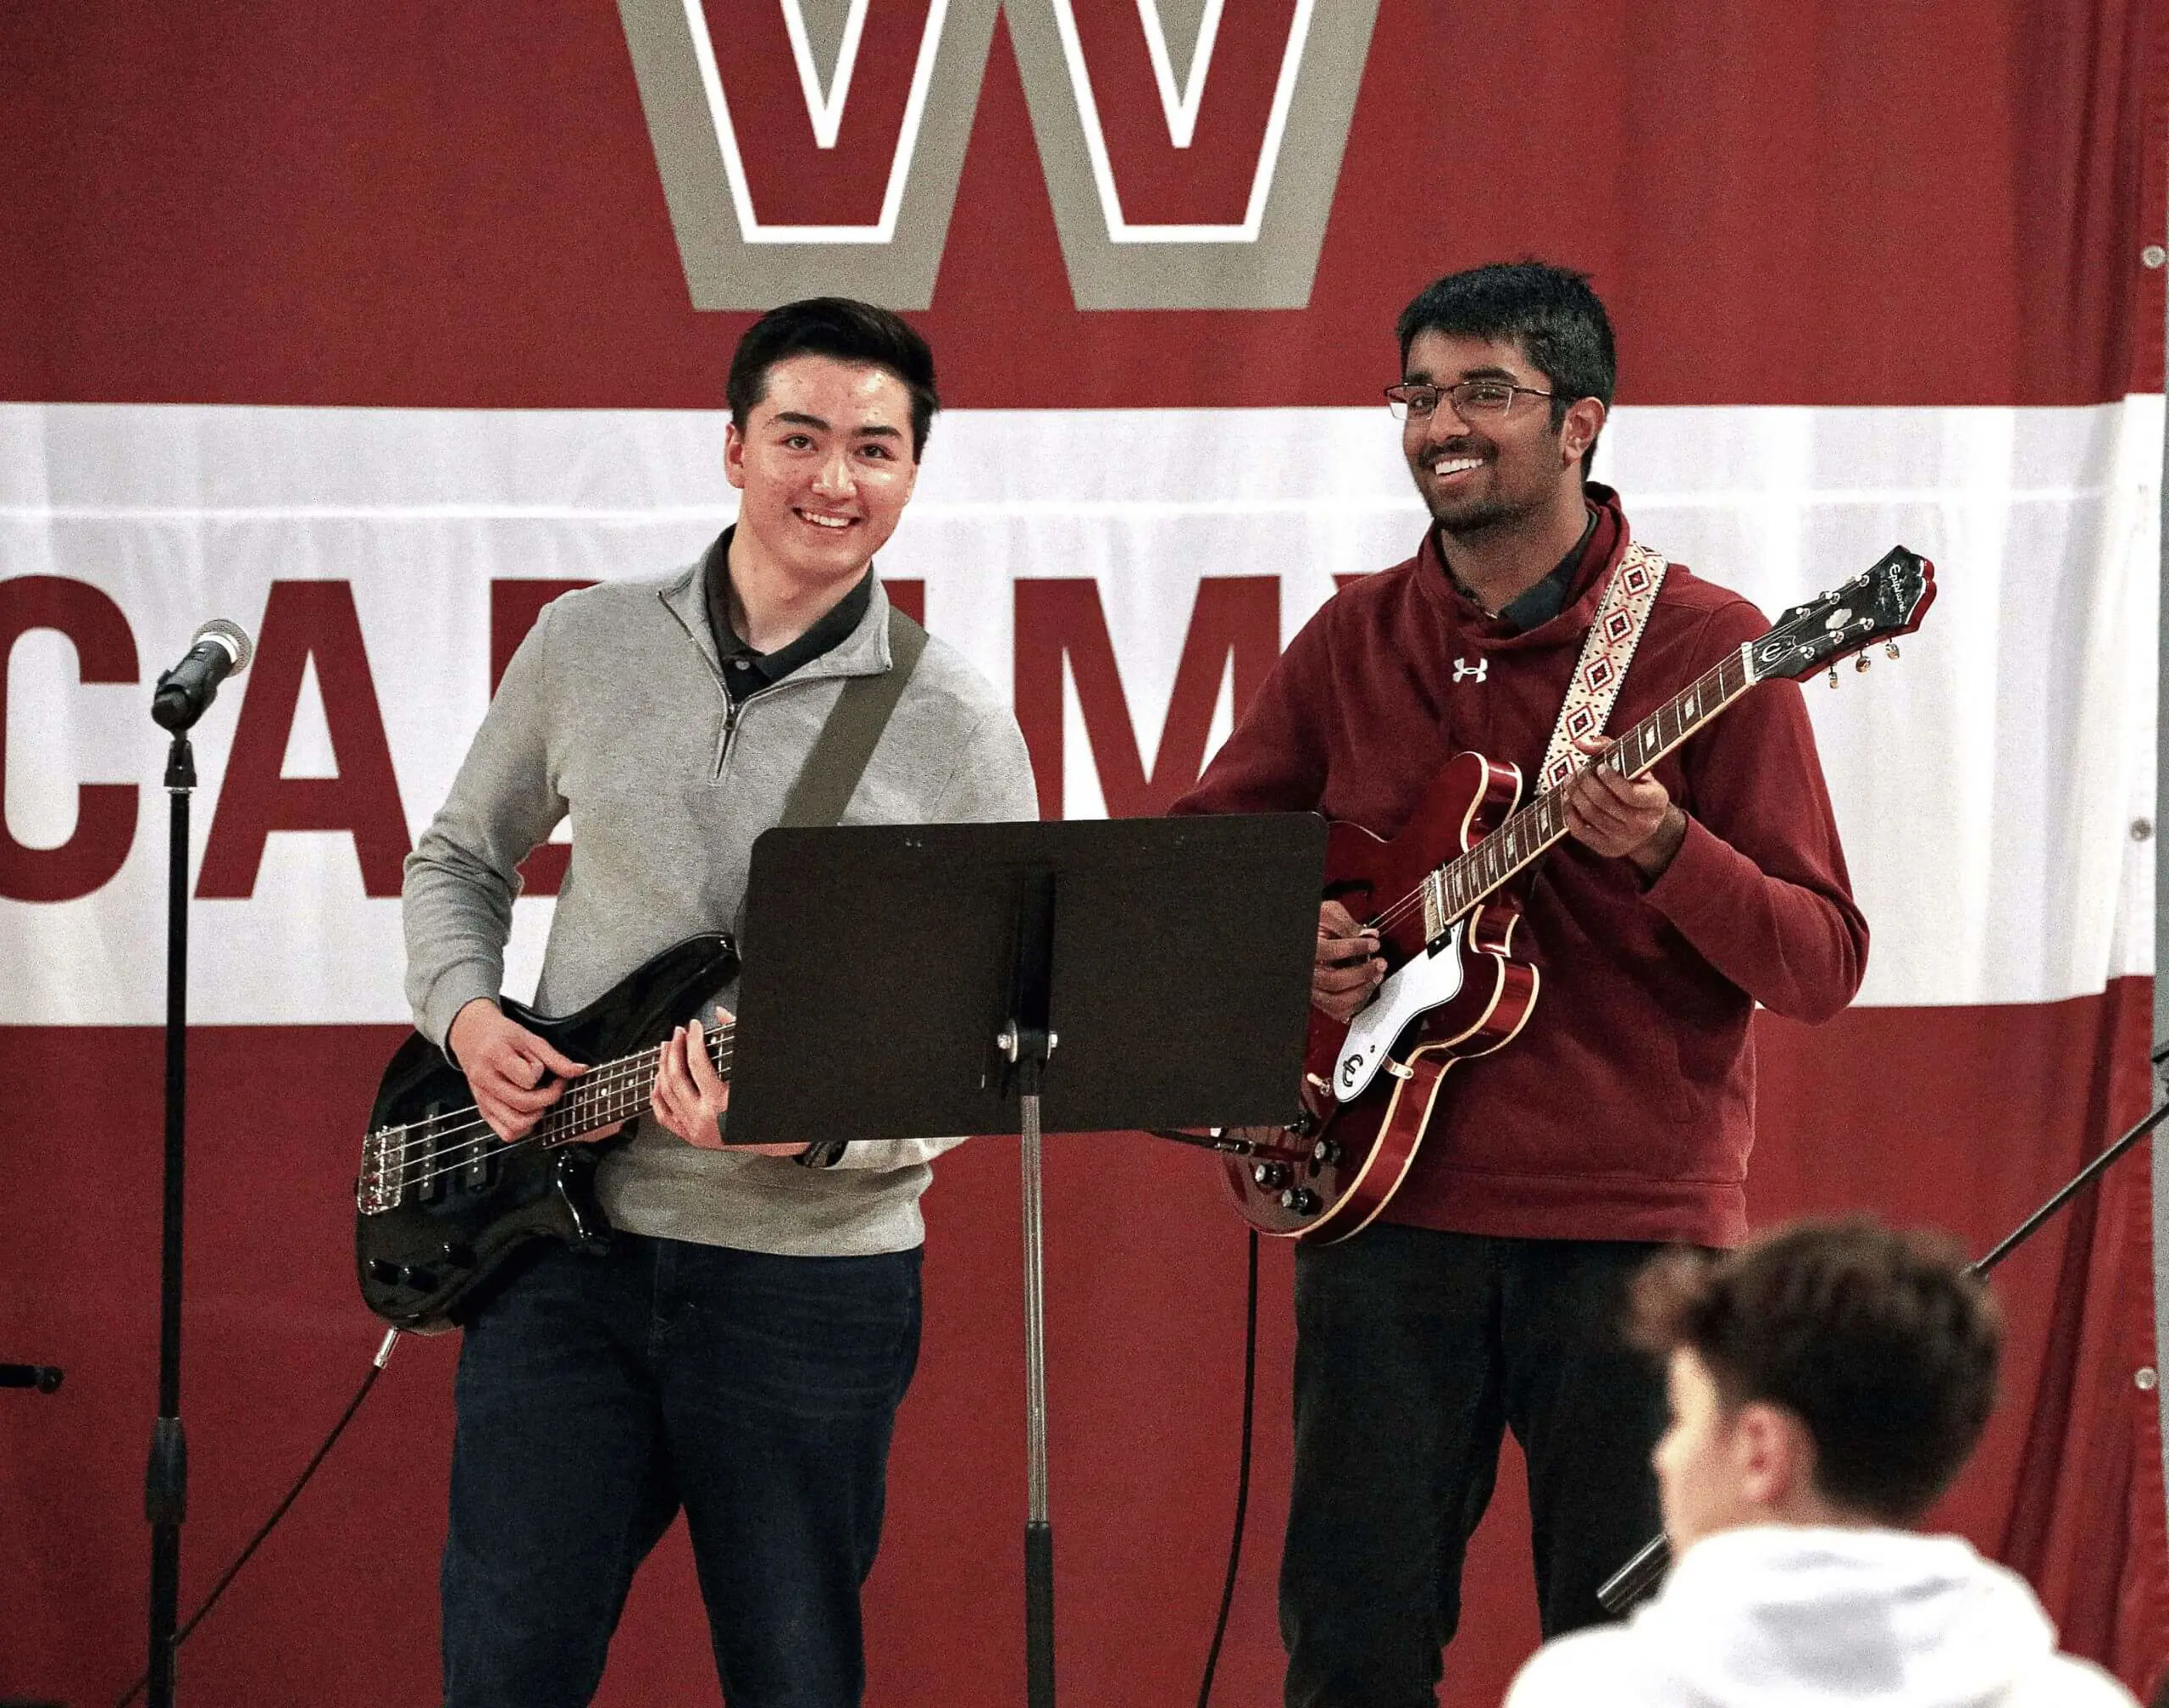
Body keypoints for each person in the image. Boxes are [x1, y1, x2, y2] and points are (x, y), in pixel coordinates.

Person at [1172, 261, 1870, 1706]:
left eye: (1485, 390)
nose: (1442, 423)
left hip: (1632, 1239)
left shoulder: (1710, 646)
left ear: (1583, 421)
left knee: (1644, 1666)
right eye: (1418, 392)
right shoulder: (1356, 635)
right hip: (1379, 1215)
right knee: (1351, 1651)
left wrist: (1671, 847)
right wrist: (1287, 929)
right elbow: (1195, 867)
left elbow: (1819, 961)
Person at [402, 297, 1037, 1708]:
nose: (835, 479)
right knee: (505, 1666)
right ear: (733, 447)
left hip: (811, 1288)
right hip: (560, 1258)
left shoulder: (958, 726)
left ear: (914, 474)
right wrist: (465, 1015)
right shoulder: (588, 644)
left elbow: (983, 1045)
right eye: (800, 436)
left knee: (793, 1680)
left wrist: (807, 1133)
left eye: (876, 449)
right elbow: (457, 856)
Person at [1505, 1218, 2138, 1706]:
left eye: (1682, 1419)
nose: (1663, 1456)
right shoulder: (2079, 1698)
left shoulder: (1585, 1692)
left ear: (1762, 1452)